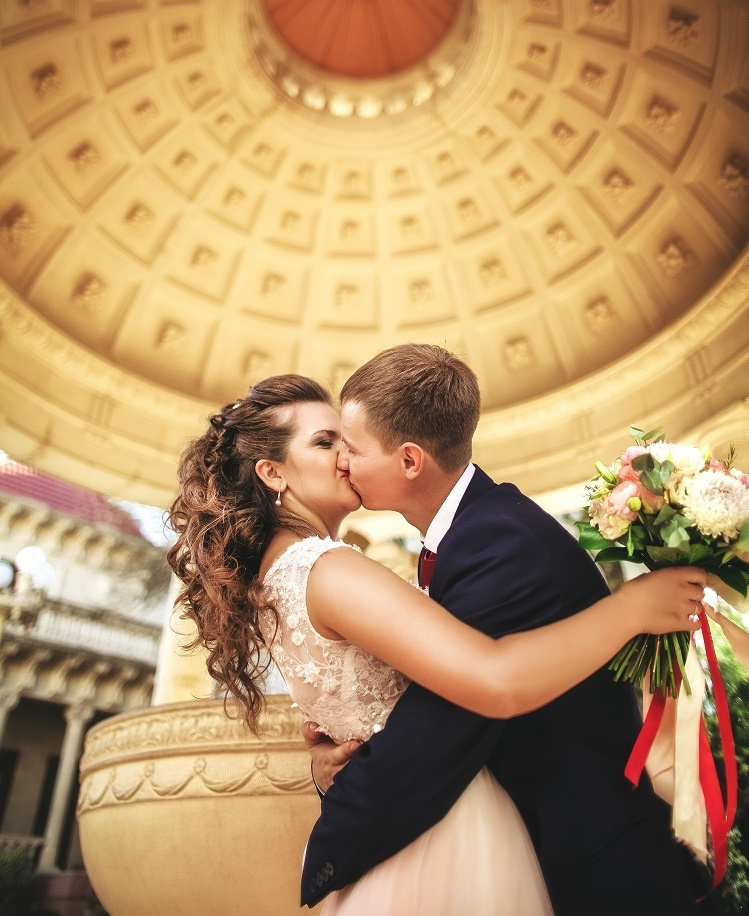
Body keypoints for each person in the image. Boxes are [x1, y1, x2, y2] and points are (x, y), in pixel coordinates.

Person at [166, 367, 707, 916]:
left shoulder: (278, 578)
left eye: (348, 443)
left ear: (408, 458)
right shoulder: (328, 570)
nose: (344, 458)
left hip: (512, 834)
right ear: (272, 473)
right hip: (449, 834)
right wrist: (632, 609)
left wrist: (336, 779)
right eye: (326, 442)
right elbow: (488, 680)